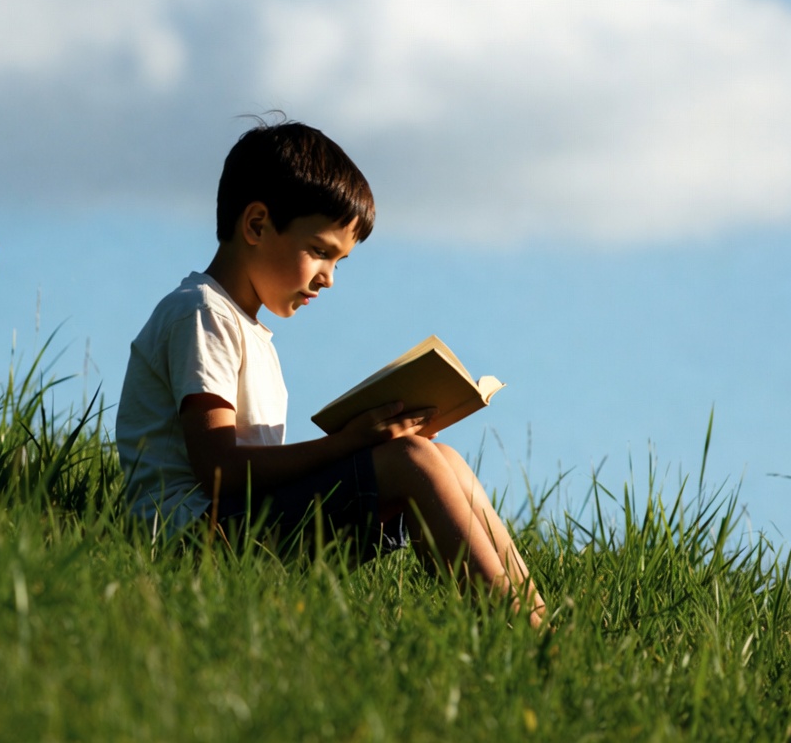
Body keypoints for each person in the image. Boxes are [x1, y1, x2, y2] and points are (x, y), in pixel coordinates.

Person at [116, 119, 546, 627]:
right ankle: (526, 638)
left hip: (236, 525)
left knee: (439, 457)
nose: (329, 278)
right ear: (255, 225)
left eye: (339, 261)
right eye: (320, 252)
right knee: (410, 460)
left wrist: (364, 444)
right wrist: (347, 444)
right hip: (193, 542)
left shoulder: (245, 328)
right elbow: (219, 472)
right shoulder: (203, 313)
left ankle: (536, 623)